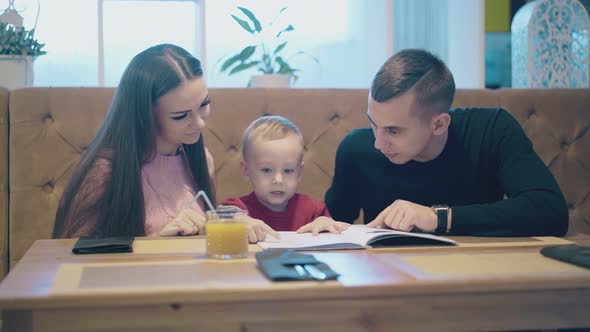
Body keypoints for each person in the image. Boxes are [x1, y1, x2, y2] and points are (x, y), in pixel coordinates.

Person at [325, 49, 568, 237]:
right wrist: (320, 223)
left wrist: (438, 218)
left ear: (439, 124)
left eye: (393, 131)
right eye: (373, 124)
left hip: (475, 275)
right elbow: (332, 223)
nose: (378, 143)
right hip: (386, 279)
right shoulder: (355, 149)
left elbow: (550, 212)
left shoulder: (492, 130)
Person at [53, 43, 272, 240]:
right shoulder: (105, 172)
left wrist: (228, 223)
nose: (199, 124)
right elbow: (72, 257)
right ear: (144, 115)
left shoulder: (202, 159)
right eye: (180, 116)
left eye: (204, 104)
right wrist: (155, 241)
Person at [220, 115, 349, 239]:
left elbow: (330, 227)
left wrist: (324, 222)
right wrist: (238, 220)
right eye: (267, 170)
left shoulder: (313, 210)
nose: (278, 180)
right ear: (246, 170)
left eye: (288, 170)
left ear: (299, 172)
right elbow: (219, 216)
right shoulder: (240, 208)